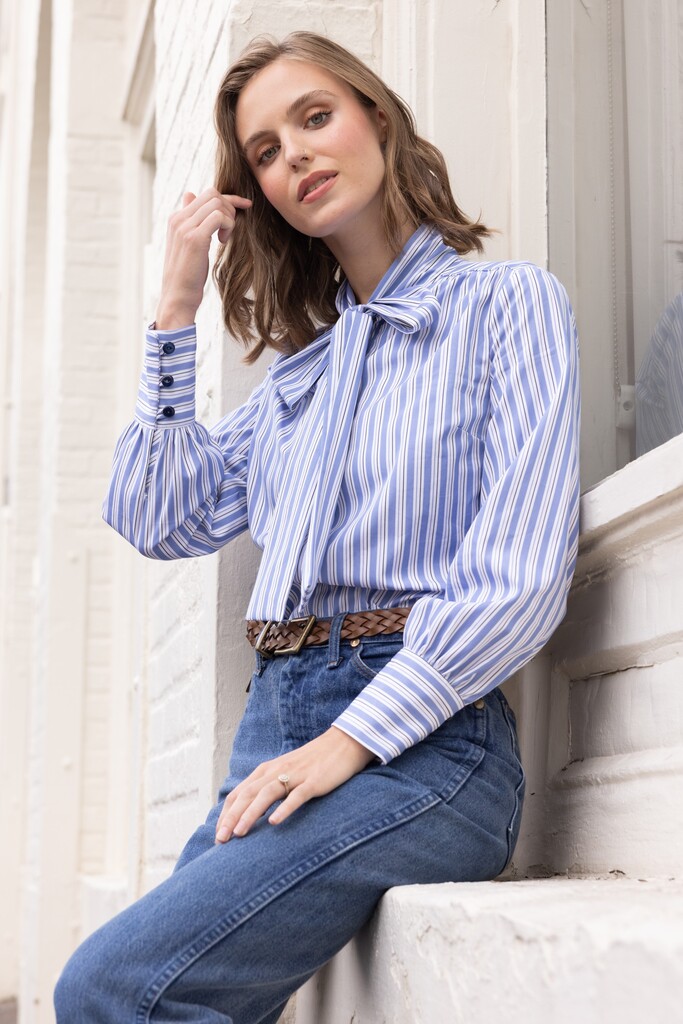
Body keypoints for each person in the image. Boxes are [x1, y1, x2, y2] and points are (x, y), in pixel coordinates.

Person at [55, 30, 580, 1024]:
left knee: (113, 990)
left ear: (376, 120)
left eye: (313, 117)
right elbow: (160, 515)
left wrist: (349, 738)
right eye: (262, 150)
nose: (291, 155)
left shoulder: (504, 306)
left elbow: (517, 571)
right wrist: (173, 306)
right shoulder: (299, 384)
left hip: (426, 744)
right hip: (273, 730)